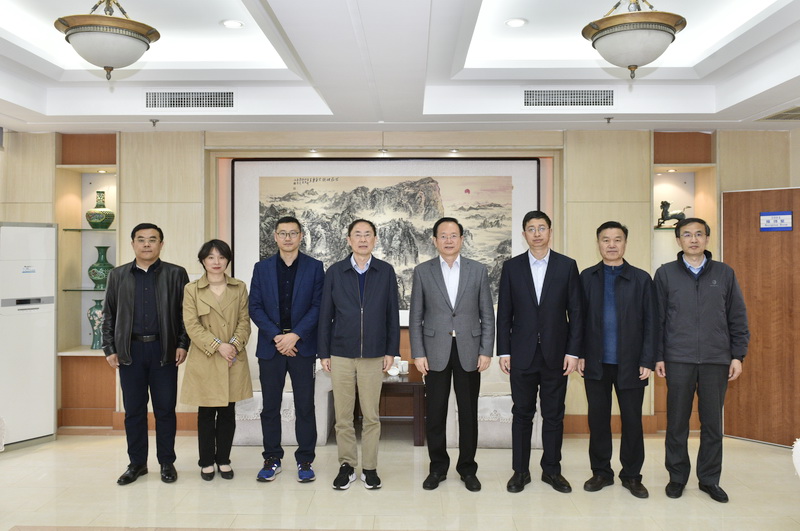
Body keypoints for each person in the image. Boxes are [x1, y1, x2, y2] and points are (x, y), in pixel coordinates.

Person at [655, 217, 749, 503]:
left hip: (715, 360)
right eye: (687, 234)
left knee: (712, 424)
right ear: (678, 240)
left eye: (699, 234)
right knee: (677, 423)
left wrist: (737, 356)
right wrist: (658, 356)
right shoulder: (665, 274)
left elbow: (737, 317)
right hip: (678, 359)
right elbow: (656, 320)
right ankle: (677, 477)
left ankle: (709, 480)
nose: (693, 239)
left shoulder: (725, 273)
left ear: (707, 239)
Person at [496, 210, 583, 494]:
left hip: (557, 355)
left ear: (550, 232)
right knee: (522, 414)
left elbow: (576, 313)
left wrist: (573, 352)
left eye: (541, 228)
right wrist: (504, 351)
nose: (536, 233)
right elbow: (504, 313)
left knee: (554, 415)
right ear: (524, 234)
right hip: (521, 354)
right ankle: (520, 471)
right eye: (531, 229)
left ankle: (552, 471)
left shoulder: (566, 266)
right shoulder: (512, 267)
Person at [409, 217, 494, 492]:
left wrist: (486, 350)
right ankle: (437, 468)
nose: (448, 240)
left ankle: (468, 469)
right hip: (434, 351)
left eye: (453, 235)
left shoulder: (477, 270)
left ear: (461, 239)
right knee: (435, 413)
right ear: (435, 240)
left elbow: (487, 314)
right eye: (443, 235)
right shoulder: (423, 271)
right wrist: (418, 353)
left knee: (468, 413)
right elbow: (416, 317)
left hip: (469, 350)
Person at [102, 223, 190, 485]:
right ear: (133, 244)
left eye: (153, 239)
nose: (147, 244)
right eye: (141, 239)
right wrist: (109, 348)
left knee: (165, 410)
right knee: (134, 411)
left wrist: (182, 344)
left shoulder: (176, 274)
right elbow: (109, 314)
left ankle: (167, 463)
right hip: (130, 351)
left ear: (161, 244)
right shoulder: (117, 275)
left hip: (164, 350)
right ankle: (137, 464)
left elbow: (186, 314)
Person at [318, 219, 400, 490]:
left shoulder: (385, 271)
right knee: (343, 416)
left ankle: (370, 468)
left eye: (367, 235)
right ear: (349, 240)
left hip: (374, 354)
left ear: (374, 239)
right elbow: (325, 314)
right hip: (340, 353)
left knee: (371, 415)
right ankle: (347, 466)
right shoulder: (335, 271)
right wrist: (324, 352)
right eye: (357, 235)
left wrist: (391, 351)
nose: (363, 239)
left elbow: (391, 313)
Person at [577, 221, 656, 499]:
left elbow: (651, 322)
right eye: (606, 239)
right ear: (598, 243)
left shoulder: (641, 279)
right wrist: (580, 354)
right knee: (598, 420)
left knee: (632, 421)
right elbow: (577, 320)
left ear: (625, 243)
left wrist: (647, 359)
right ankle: (601, 472)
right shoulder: (587, 277)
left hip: (632, 364)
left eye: (617, 239)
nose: (611, 245)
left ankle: (632, 475)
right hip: (595, 363)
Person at [249, 216, 324, 483]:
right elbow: (255, 306)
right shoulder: (262, 268)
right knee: (270, 406)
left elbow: (318, 306)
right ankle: (272, 459)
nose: (288, 238)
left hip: (302, 347)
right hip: (271, 348)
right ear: (275, 237)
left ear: (301, 236)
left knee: (305, 406)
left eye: (293, 233)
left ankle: (305, 460)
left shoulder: (315, 267)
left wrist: (294, 336)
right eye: (283, 233)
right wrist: (278, 338)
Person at [180, 239, 252, 481]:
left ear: (227, 260)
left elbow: (244, 321)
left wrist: (232, 346)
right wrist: (218, 346)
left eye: (221, 257)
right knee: (206, 412)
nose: (216, 262)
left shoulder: (239, 287)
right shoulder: (192, 289)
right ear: (203, 261)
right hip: (206, 358)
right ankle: (206, 461)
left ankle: (223, 459)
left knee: (228, 412)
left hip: (232, 357)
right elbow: (191, 325)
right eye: (211, 257)